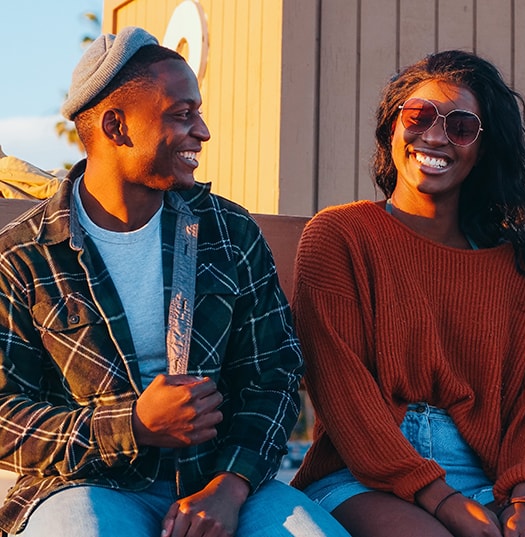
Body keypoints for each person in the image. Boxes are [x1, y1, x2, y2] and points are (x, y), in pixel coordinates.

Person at [0, 27, 349, 537]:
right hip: (84, 485)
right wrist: (134, 426)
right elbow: (6, 417)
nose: (203, 131)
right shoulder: (24, 256)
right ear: (117, 126)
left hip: (220, 479)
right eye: (182, 115)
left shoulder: (227, 233)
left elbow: (272, 376)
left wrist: (230, 488)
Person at [290, 50, 525, 537]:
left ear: (483, 148)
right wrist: (440, 499)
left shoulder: (521, 273)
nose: (434, 136)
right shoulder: (340, 236)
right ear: (391, 127)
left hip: (488, 481)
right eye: (418, 116)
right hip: (360, 475)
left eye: (460, 126)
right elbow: (343, 396)